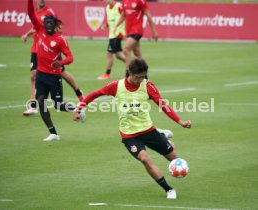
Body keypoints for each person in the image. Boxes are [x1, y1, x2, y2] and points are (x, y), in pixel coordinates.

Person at [73, 58, 191, 199]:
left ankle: (163, 136)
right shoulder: (117, 86)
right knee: (145, 159)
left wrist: (180, 122)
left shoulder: (147, 86)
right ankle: (169, 190)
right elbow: (95, 94)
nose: (140, 80)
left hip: (149, 130)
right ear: (130, 72)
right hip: (130, 135)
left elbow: (163, 105)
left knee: (174, 159)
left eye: (143, 77)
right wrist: (79, 108)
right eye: (138, 77)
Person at [22, 0, 83, 116]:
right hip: (37, 48)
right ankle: (33, 106)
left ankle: (79, 93)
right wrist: (27, 34)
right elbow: (33, 21)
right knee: (33, 76)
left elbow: (56, 28)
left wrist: (60, 61)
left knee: (61, 74)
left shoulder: (49, 13)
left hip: (52, 50)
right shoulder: (36, 13)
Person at [27, 0, 76, 141]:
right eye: (46, 23)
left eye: (51, 23)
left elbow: (70, 57)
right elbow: (30, 13)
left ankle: (78, 109)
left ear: (55, 25)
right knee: (41, 100)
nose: (48, 25)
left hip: (54, 77)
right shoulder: (40, 30)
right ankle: (53, 133)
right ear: (44, 24)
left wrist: (59, 62)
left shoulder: (60, 39)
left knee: (58, 106)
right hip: (41, 75)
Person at [113, 0, 158, 77]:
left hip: (137, 30)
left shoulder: (140, 1)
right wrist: (116, 25)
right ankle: (145, 76)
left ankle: (128, 75)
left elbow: (148, 15)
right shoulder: (125, 1)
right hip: (129, 31)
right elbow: (123, 14)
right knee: (137, 54)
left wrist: (154, 30)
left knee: (126, 49)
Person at [97, 0, 125, 80]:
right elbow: (110, 20)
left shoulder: (119, 6)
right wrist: (106, 25)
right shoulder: (107, 8)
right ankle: (133, 64)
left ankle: (107, 74)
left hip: (118, 33)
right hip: (112, 34)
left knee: (109, 53)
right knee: (119, 55)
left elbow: (125, 16)